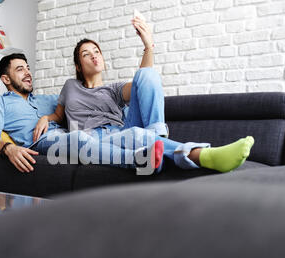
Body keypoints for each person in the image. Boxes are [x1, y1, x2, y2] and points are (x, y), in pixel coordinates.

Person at [33, 15, 255, 174]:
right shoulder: (70, 86)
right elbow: (59, 115)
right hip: (93, 138)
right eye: (86, 54)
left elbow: (143, 83)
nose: (94, 56)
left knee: (147, 75)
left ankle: (157, 138)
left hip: (120, 131)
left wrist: (148, 47)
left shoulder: (113, 90)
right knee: (137, 136)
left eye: (97, 52)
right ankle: (202, 155)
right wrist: (46, 118)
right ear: (78, 65)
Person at [0, 53, 163, 174]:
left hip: (75, 137)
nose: (28, 73)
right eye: (20, 69)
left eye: (28, 68)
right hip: (40, 143)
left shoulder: (45, 100)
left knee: (131, 135)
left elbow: (82, 100)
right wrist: (8, 148)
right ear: (5, 78)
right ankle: (139, 160)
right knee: (78, 138)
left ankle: (180, 154)